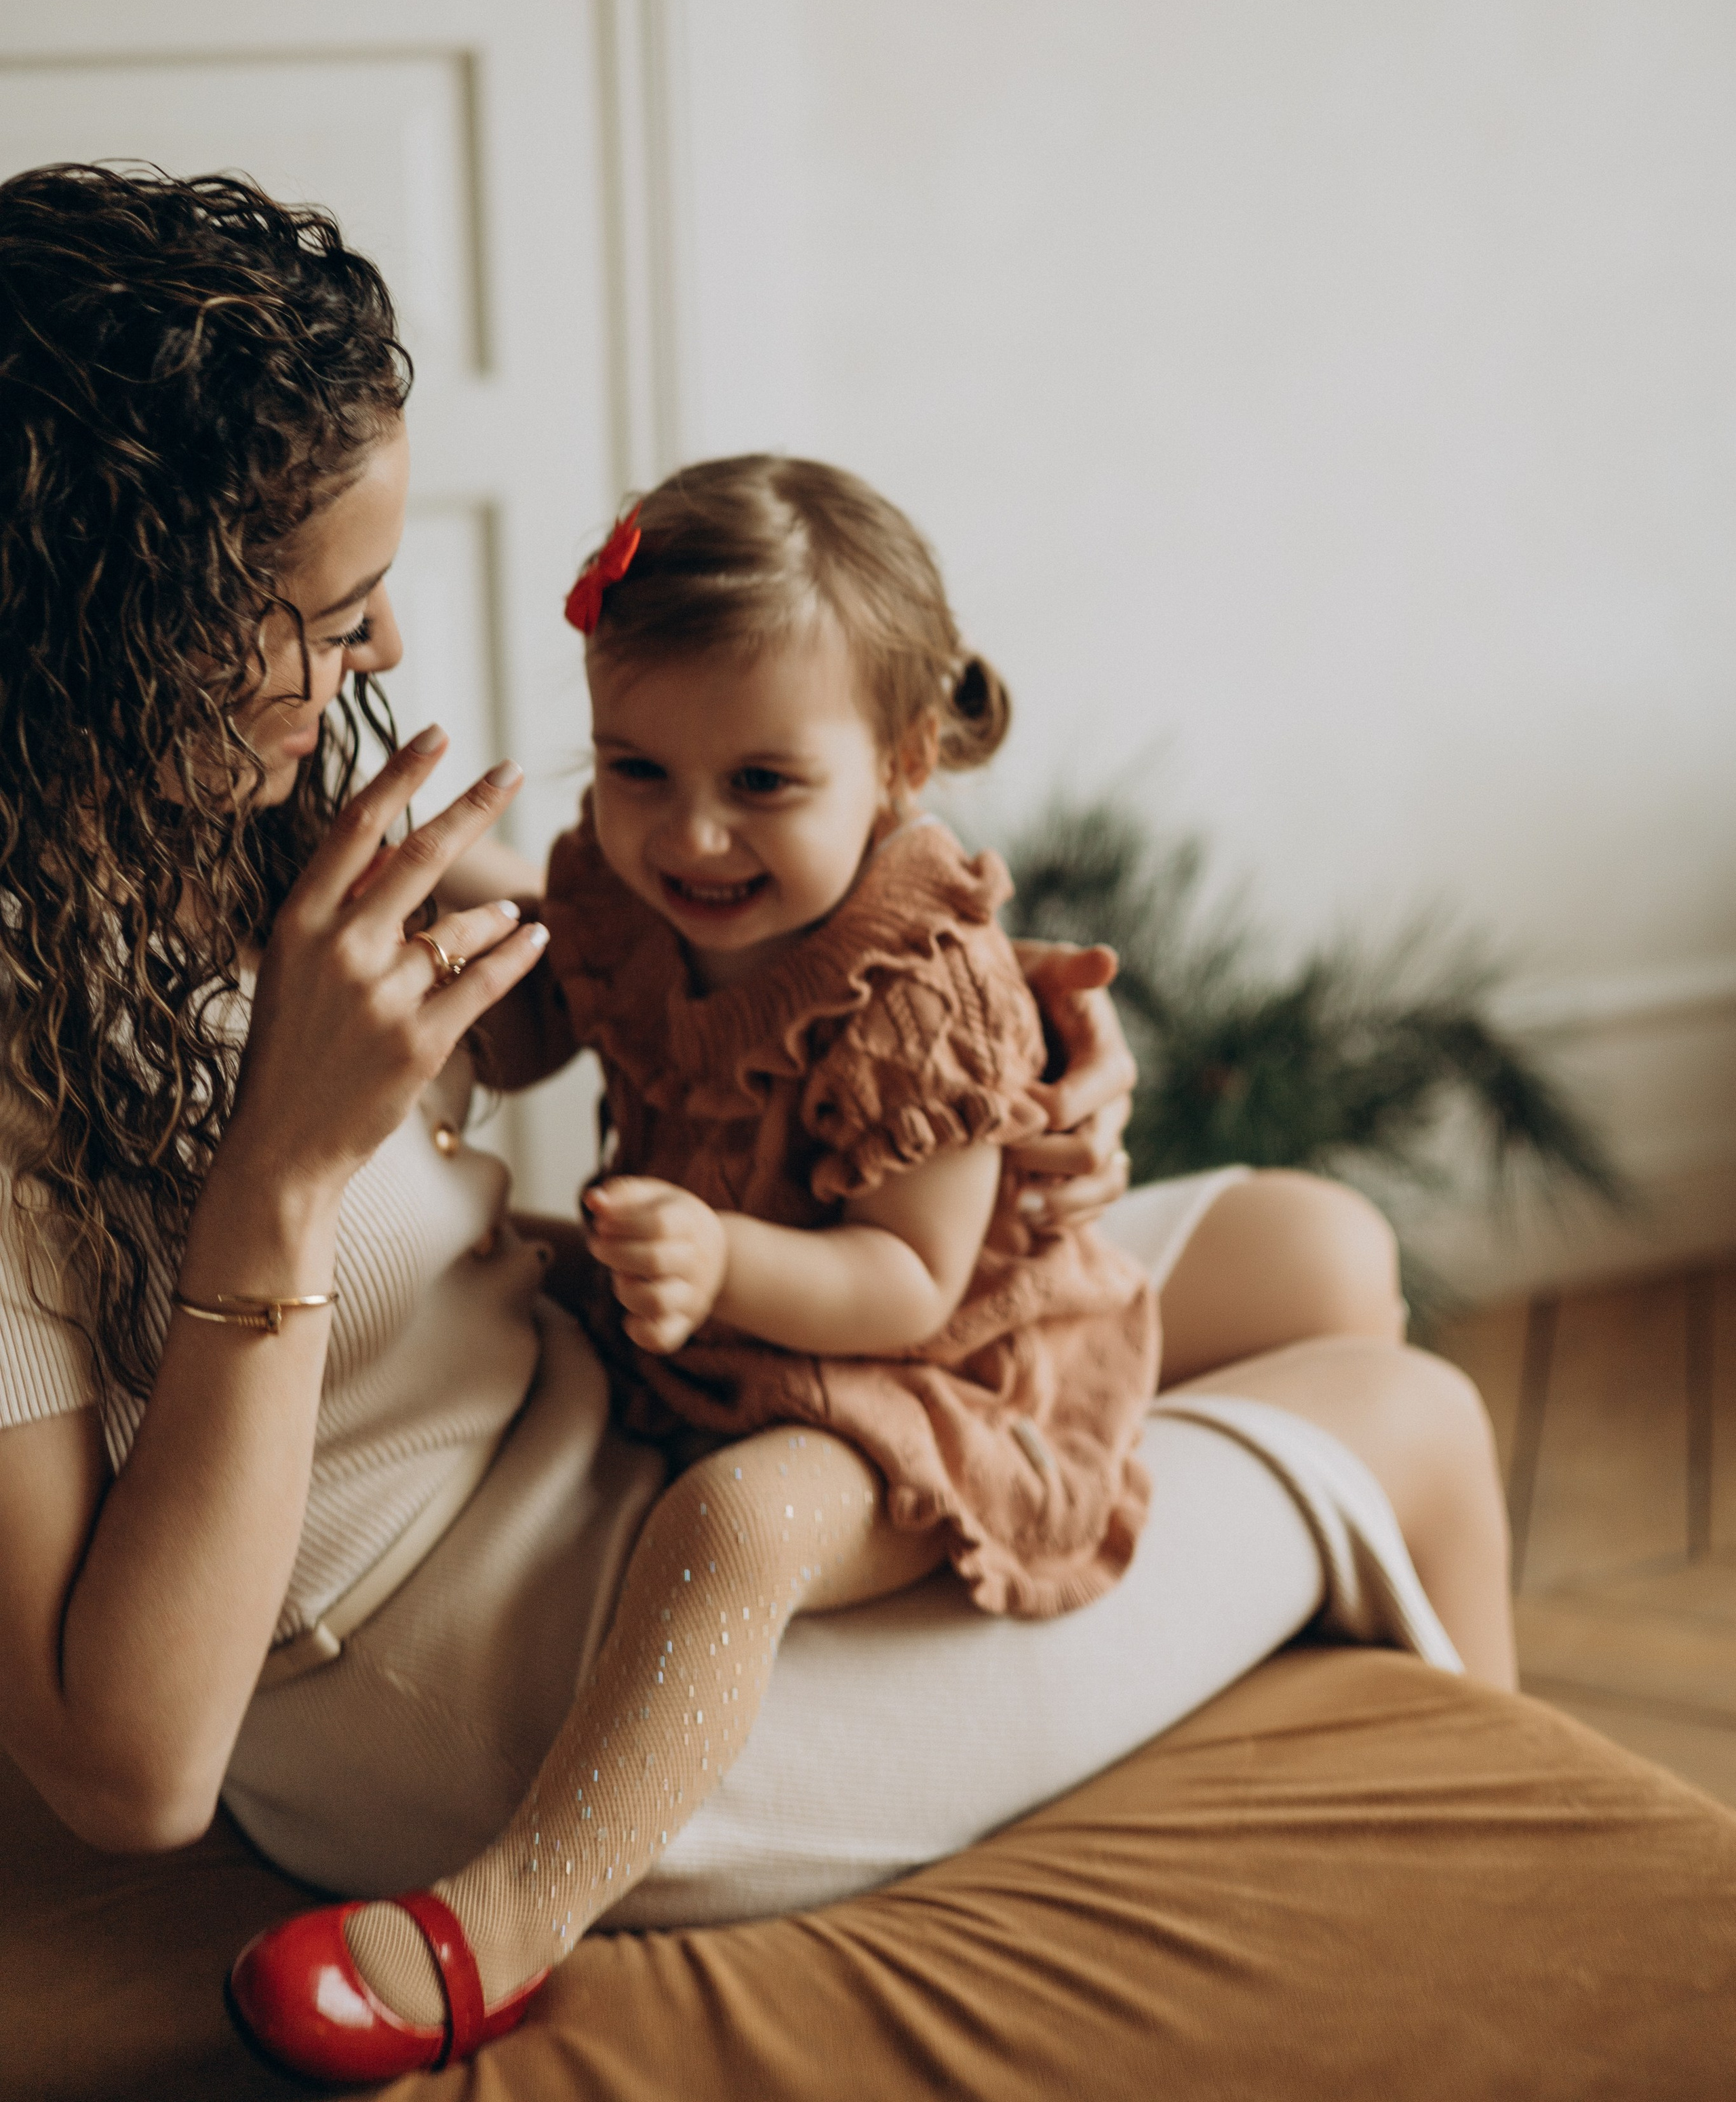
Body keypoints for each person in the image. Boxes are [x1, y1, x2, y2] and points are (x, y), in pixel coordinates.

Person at [0, 165, 1514, 2089]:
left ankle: (1327, 1797)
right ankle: (1476, 1961)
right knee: (1425, 1423)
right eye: (331, 613)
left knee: (1324, 1251)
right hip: (490, 1666)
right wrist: (279, 1183)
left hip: (617, 1395)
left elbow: (643, 1025)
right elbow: (123, 1774)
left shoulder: (182, 821)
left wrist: (1009, 1085)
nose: (383, 660)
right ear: (121, 620)